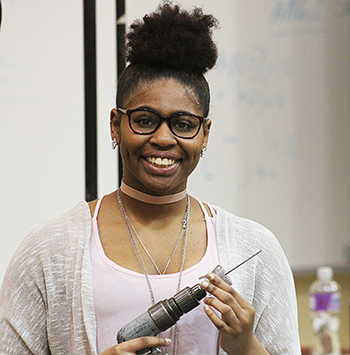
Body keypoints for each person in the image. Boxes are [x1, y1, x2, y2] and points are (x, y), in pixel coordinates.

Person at [0, 2, 301, 355]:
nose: (162, 138)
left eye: (183, 125)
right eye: (144, 120)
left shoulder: (254, 250)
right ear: (116, 124)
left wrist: (247, 347)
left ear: (205, 134)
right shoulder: (50, 252)